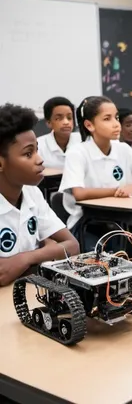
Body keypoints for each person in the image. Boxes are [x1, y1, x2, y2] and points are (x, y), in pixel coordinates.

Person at [58, 96, 132, 268]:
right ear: (89, 125)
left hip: (124, 222)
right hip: (89, 224)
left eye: (117, 117)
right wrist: (117, 191)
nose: (116, 124)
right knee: (106, 265)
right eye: (107, 119)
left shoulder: (123, 149)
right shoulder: (77, 152)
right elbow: (79, 193)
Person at [0, 103, 79, 286]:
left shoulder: (32, 193)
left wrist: (25, 259)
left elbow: (72, 245)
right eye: (28, 154)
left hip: (29, 290)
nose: (39, 159)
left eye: (37, 149)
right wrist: (48, 249)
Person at [37, 97, 81, 169]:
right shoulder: (38, 146)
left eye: (69, 118)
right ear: (49, 123)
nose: (66, 122)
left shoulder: (84, 140)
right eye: (59, 118)